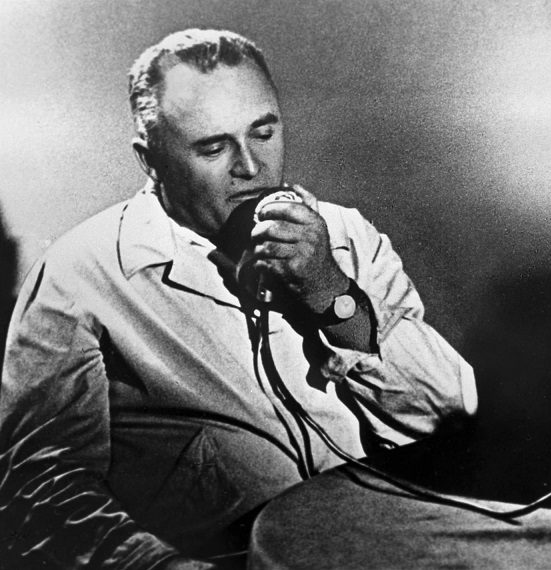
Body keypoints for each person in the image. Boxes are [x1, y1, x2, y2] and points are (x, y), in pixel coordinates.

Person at [0, 29, 477, 569]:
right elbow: (39, 489)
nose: (250, 167)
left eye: (264, 133)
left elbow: (452, 417)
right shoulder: (79, 274)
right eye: (213, 147)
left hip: (397, 543)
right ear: (150, 160)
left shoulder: (345, 235)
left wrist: (331, 292)